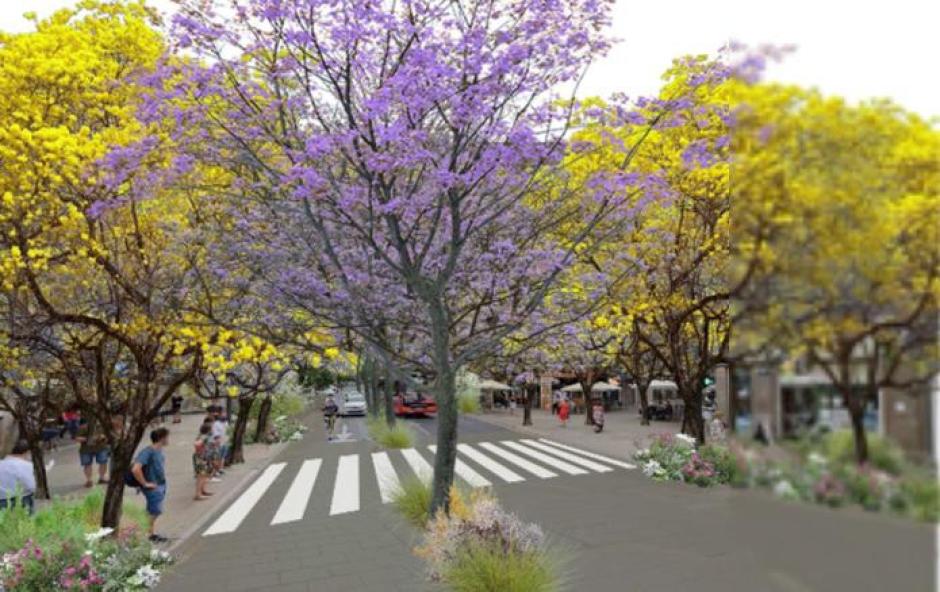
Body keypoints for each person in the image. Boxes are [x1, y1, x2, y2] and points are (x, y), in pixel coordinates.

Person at [132, 427, 170, 543]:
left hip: (159, 484)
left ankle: (150, 534)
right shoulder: (148, 452)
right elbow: (135, 469)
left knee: (151, 511)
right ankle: (141, 534)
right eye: (167, 437)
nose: (168, 439)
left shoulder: (158, 451)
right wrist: (144, 483)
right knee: (155, 511)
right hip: (153, 486)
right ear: (161, 438)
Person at [0, 440, 36, 514]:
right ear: (27, 452)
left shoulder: (1, 463)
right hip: (21, 499)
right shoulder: (25, 465)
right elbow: (31, 486)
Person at [77, 419, 110, 488]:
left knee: (103, 462)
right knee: (87, 464)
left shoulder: (103, 426)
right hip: (86, 449)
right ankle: (89, 480)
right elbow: (77, 438)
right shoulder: (84, 427)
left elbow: (108, 435)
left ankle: (102, 478)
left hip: (101, 447)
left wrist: (103, 437)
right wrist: (89, 439)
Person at [192, 424, 215, 501]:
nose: (212, 430)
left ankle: (202, 490)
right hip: (200, 458)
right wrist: (201, 449)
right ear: (208, 430)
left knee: (204, 475)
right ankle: (198, 494)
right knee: (201, 476)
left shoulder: (205, 437)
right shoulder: (203, 437)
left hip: (204, 457)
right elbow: (197, 444)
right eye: (211, 429)